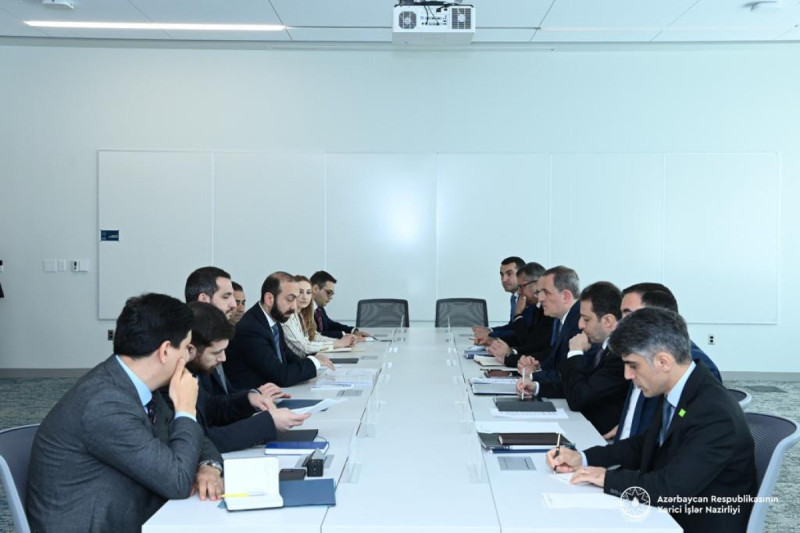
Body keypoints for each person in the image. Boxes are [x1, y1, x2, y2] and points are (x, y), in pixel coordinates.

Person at [27, 294, 224, 533]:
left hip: (128, 510)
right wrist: (185, 410)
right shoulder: (105, 403)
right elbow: (178, 482)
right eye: (186, 348)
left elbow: (195, 440)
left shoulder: (135, 384)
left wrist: (208, 466)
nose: (188, 357)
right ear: (165, 351)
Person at [547, 307, 757, 533]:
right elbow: (646, 444)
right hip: (667, 513)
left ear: (663, 361)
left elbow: (669, 490)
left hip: (691, 522)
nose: (627, 375)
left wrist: (605, 477)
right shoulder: (681, 388)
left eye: (633, 365)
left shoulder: (714, 413)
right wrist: (584, 458)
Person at [186, 302, 309, 453]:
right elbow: (204, 440)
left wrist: (249, 399)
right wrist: (268, 422)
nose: (223, 358)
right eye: (216, 353)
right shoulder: (171, 381)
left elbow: (211, 408)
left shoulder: (195, 368)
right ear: (190, 350)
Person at [613, 283, 722, 442]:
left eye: (628, 315)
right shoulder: (640, 353)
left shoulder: (691, 366)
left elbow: (678, 437)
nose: (619, 324)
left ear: (657, 318)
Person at [518, 281, 627, 434]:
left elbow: (578, 397)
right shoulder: (602, 347)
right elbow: (574, 383)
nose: (580, 325)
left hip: (596, 434)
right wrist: (537, 387)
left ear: (607, 321)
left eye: (586, 319)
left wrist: (575, 352)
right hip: (582, 424)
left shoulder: (619, 356)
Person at [225, 272, 335, 389]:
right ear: (269, 299)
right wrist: (314, 362)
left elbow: (288, 357)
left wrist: (313, 361)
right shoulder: (250, 328)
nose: (294, 307)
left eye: (295, 299)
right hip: (252, 396)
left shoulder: (274, 320)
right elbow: (281, 376)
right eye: (290, 299)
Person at [516, 266, 598, 398]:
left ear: (565, 296)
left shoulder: (579, 324)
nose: (540, 298)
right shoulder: (563, 320)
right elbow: (556, 363)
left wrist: (533, 375)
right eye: (539, 292)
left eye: (545, 292)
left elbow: (566, 373)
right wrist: (536, 367)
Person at [485, 262, 554, 366]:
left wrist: (518, 314)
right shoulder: (537, 308)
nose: (519, 292)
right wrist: (496, 341)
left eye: (522, 287)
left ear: (537, 284)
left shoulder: (549, 312)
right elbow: (530, 341)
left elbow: (530, 343)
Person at [283, 274, 356, 356]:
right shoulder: (287, 317)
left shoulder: (301, 314)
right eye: (300, 292)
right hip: (298, 361)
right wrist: (337, 343)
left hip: (307, 358)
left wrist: (339, 342)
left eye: (308, 292)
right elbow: (305, 346)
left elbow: (314, 337)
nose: (305, 297)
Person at [473, 256, 525, 344]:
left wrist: (491, 334)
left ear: (521, 275)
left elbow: (520, 332)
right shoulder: (514, 298)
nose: (504, 280)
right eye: (502, 275)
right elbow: (513, 326)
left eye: (509, 274)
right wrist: (490, 330)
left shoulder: (527, 299)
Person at [310, 270, 370, 339]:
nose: (331, 297)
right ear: (315, 289)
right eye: (329, 292)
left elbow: (330, 325)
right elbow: (316, 334)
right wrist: (345, 335)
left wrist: (353, 331)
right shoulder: (304, 309)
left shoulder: (319, 308)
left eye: (332, 294)